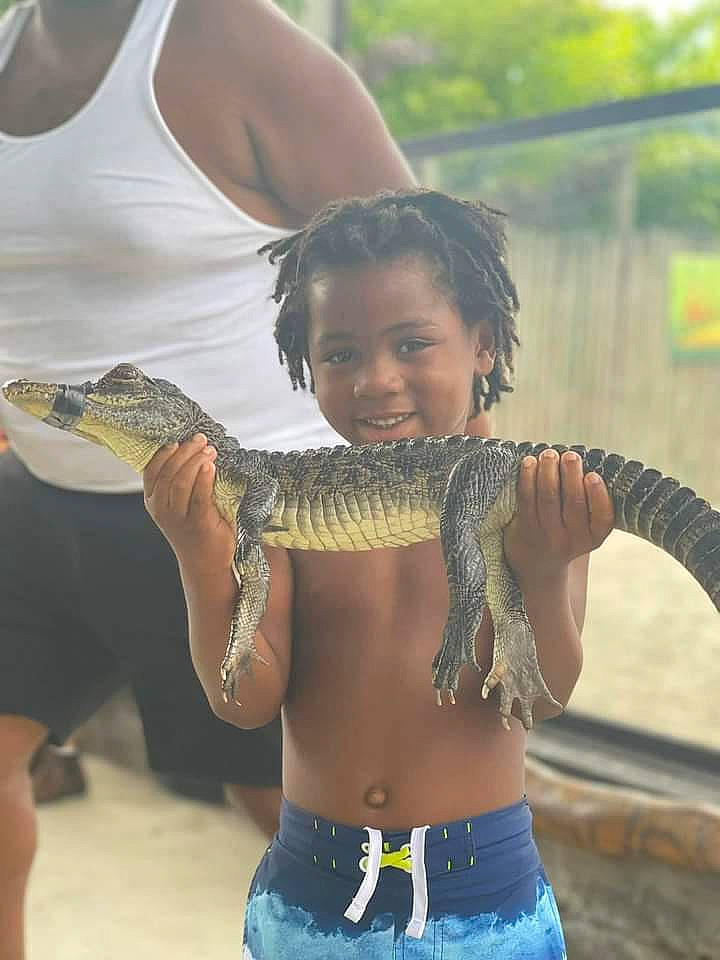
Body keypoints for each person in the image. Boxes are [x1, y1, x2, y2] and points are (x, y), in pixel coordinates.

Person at [0, 0, 416, 955]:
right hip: (38, 495)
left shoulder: (229, 42)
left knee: (302, 817)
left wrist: (454, 516)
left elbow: (439, 275)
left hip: (244, 510)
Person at [144, 188, 616, 958]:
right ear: (307, 363)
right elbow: (243, 702)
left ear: (483, 344)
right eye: (340, 354)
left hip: (484, 907)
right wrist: (197, 550)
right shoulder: (289, 509)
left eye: (411, 344)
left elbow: (541, 698)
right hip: (308, 899)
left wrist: (543, 566)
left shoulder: (532, 499)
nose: (375, 380)